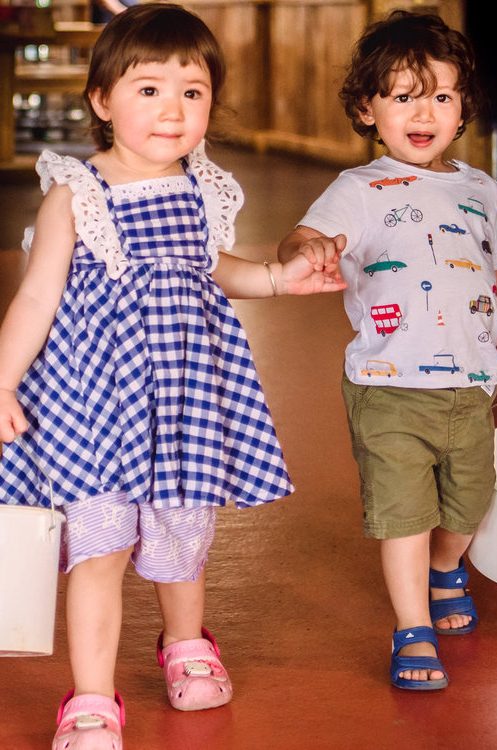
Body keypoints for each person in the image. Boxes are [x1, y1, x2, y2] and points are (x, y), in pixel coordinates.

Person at [0, 5, 344, 749]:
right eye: (148, 88)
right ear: (101, 100)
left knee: (181, 532)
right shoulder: (76, 194)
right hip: (91, 403)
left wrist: (280, 280)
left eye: (192, 91)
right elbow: (37, 295)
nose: (172, 109)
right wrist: (1, 380)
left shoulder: (199, 189)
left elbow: (213, 270)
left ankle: (186, 645)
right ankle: (91, 699)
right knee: (99, 544)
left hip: (184, 397)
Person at [277, 10, 497, 691]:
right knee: (404, 514)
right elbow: (302, 236)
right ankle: (411, 625)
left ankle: (446, 566)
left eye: (443, 96)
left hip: (472, 388)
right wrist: (307, 251)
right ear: (368, 109)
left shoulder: (481, 190)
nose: (425, 111)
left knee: (469, 504)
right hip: (388, 385)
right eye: (404, 96)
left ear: (463, 110)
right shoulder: (359, 191)